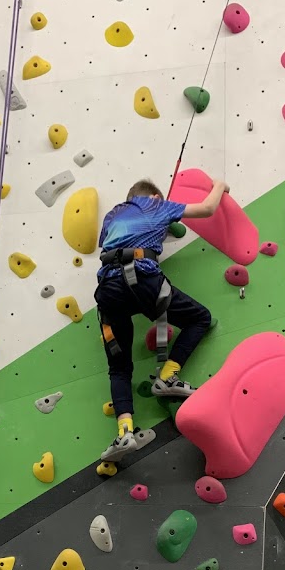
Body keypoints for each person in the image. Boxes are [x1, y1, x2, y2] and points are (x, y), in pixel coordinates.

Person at [95, 176, 230, 462]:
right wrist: (220, 186)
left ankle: (125, 432)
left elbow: (108, 246)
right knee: (200, 318)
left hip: (108, 291)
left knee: (119, 367)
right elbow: (207, 209)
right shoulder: (157, 205)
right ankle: (167, 376)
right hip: (142, 279)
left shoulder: (112, 216)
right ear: (156, 197)